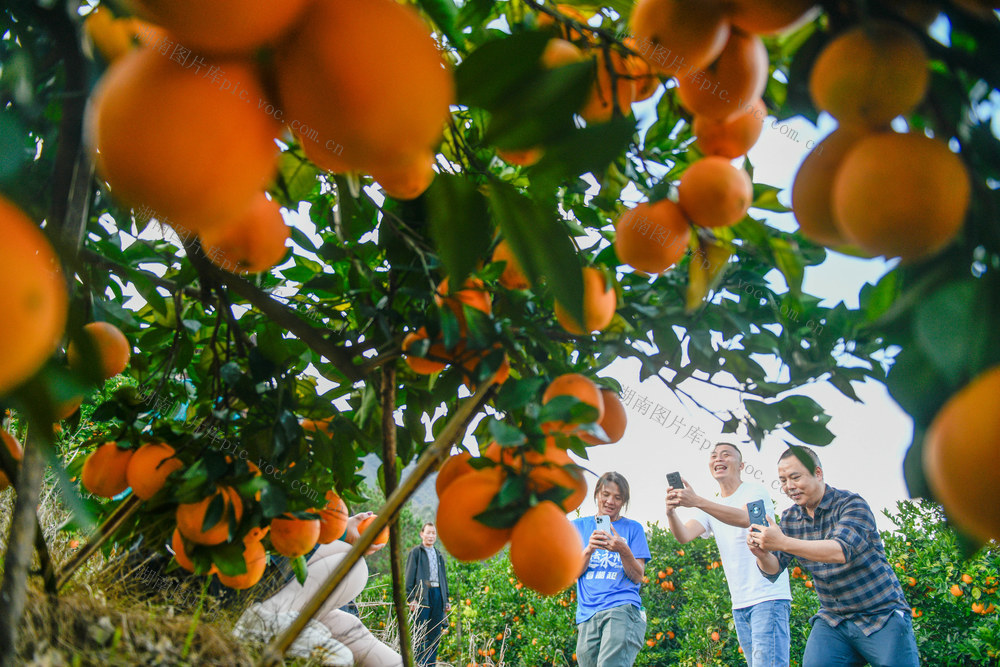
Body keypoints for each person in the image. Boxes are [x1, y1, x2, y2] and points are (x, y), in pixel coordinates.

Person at [748, 447, 919, 667]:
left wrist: (782, 542)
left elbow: (840, 551)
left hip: (880, 615)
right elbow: (773, 569)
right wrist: (761, 553)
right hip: (834, 620)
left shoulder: (851, 505)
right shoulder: (790, 518)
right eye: (782, 480)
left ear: (817, 473)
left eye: (795, 477)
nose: (789, 486)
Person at [664, 442, 792, 666]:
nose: (718, 459)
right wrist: (671, 512)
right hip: (740, 603)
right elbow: (684, 535)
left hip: (768, 597)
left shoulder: (754, 491)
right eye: (713, 456)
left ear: (741, 465)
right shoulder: (713, 507)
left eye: (726, 455)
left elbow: (748, 518)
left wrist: (698, 501)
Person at [235, 511, 403, 667]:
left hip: (289, 580)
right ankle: (265, 617)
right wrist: (341, 531)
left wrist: (342, 531)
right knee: (354, 566)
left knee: (349, 625)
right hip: (261, 568)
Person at [573, 471, 650, 667]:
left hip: (621, 607)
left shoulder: (634, 529)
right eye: (605, 494)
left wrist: (623, 550)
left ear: (624, 501)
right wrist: (589, 549)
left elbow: (637, 576)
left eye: (618, 497)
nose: (610, 501)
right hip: (587, 613)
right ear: (597, 493)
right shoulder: (578, 527)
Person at [404, 522, 451, 667]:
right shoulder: (416, 553)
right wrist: (411, 598)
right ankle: (418, 663)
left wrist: (446, 600)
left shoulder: (438, 555)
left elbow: (443, 578)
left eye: (433, 533)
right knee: (419, 631)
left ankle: (430, 664)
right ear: (421, 534)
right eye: (428, 532)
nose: (431, 536)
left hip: (438, 594)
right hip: (422, 595)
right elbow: (409, 576)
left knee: (435, 632)